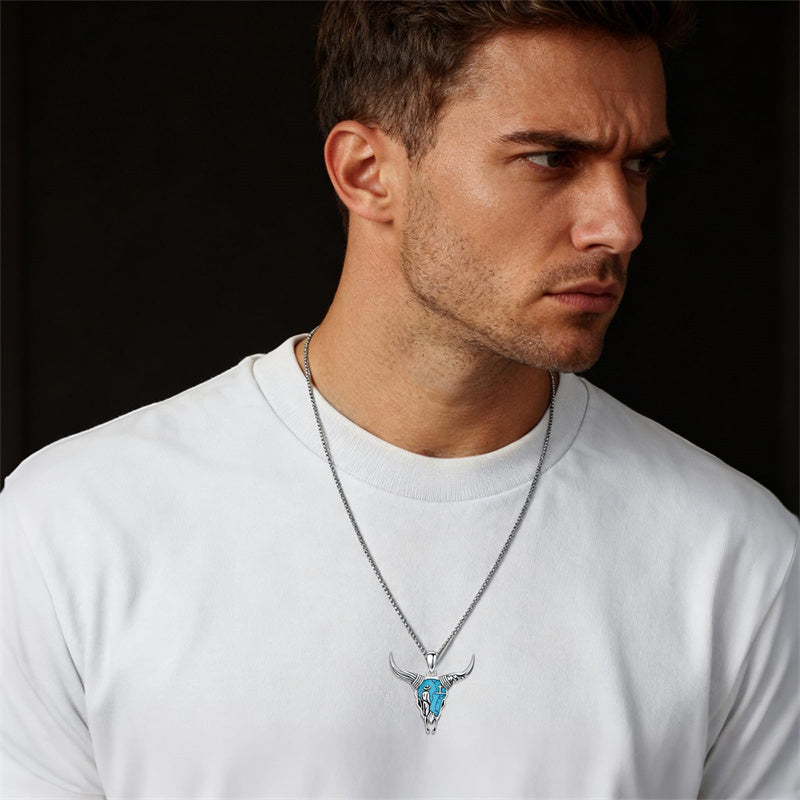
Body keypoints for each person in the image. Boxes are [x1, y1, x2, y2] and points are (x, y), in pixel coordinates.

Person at [2, 1, 797, 797]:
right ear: (366, 172)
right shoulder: (72, 530)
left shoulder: (737, 559)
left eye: (639, 167)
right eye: (552, 159)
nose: (619, 227)